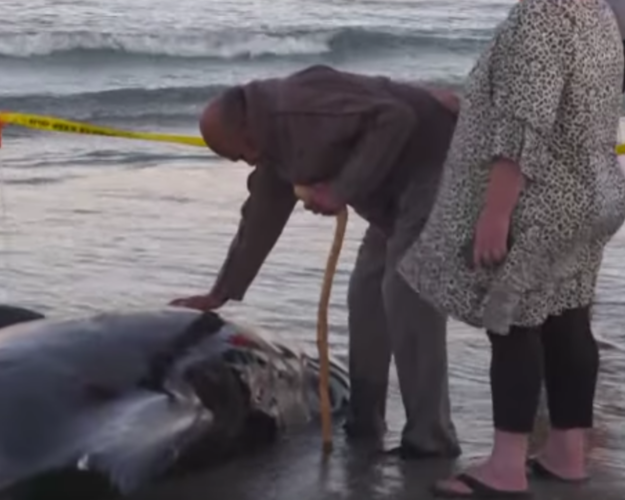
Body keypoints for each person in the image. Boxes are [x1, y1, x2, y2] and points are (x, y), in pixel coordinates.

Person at [170, 64, 462, 458]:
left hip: (437, 164)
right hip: (389, 193)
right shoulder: (268, 143)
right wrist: (220, 292)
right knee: (366, 295)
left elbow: (397, 117)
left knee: (405, 291)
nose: (243, 161)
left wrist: (342, 189)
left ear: (246, 130)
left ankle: (431, 439)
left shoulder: (300, 109)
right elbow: (260, 217)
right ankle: (365, 422)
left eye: (238, 153)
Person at [398, 0, 625, 496]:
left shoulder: (540, 16)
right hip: (593, 191)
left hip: (542, 199)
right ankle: (568, 453)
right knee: (568, 317)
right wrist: (475, 107)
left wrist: (497, 213)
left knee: (513, 323)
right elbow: (568, 102)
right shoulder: (596, 13)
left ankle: (505, 466)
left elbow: (527, 126)